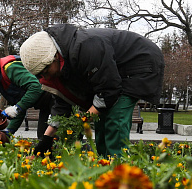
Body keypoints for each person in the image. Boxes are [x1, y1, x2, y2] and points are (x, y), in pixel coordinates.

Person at [19, 24, 164, 157]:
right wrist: (46, 140)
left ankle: (119, 170)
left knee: (114, 117)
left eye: (44, 71)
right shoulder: (61, 66)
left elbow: (108, 90)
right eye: (39, 75)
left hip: (138, 64)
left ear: (55, 57)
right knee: (100, 119)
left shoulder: (84, 47)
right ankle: (104, 165)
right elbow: (62, 104)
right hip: (111, 75)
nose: (44, 77)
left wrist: (79, 122)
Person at [0, 53, 53, 139]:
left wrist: (17, 108)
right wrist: (9, 132)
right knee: (43, 137)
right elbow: (19, 110)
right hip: (46, 105)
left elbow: (36, 87)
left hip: (55, 98)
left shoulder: (10, 68)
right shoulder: (1, 80)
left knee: (53, 135)